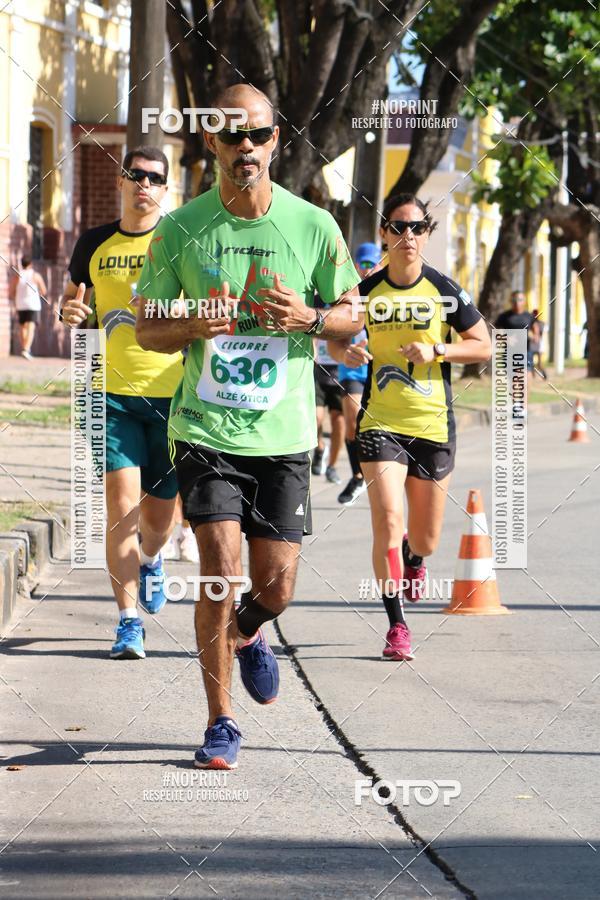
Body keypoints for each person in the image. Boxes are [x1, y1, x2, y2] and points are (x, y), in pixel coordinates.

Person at [136, 83, 361, 770]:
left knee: (276, 587)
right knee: (218, 571)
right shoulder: (181, 229)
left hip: (285, 437)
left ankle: (251, 632)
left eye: (257, 135)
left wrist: (313, 320)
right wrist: (193, 324)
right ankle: (220, 722)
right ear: (211, 142)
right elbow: (147, 329)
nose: (245, 147)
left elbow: (355, 315)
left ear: (275, 142)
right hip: (207, 430)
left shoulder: (312, 226)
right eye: (231, 135)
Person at [331, 194, 491, 661]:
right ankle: (397, 626)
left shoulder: (443, 289)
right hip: (381, 423)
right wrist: (349, 354)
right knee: (387, 519)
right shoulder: (363, 290)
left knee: (425, 538)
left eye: (417, 228)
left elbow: (483, 346)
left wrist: (438, 352)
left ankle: (415, 558)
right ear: (383, 233)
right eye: (398, 228)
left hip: (434, 425)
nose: (407, 237)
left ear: (427, 234)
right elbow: (337, 341)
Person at [60, 146, 183, 660]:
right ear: (121, 182)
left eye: (154, 177)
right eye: (135, 175)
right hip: (113, 396)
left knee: (161, 515)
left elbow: (207, 302)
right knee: (122, 509)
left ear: (164, 187)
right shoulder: (93, 242)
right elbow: (75, 303)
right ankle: (128, 621)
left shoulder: (180, 240)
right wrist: (69, 313)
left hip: (175, 396)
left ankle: (153, 560)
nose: (143, 184)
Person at [333, 242, 382, 505]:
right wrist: (343, 353)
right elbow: (334, 335)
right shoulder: (347, 289)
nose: (365, 270)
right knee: (352, 418)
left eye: (370, 264)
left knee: (373, 425)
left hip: (380, 368)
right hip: (351, 365)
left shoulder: (387, 290)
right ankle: (357, 475)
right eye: (361, 264)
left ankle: (380, 475)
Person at [312, 335, 346, 484]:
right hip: (319, 373)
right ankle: (320, 447)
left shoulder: (348, 312)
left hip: (341, 377)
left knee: (338, 421)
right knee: (315, 417)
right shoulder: (321, 310)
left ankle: (332, 466)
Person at [9, 256, 47, 359]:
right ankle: (26, 349)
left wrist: (16, 297)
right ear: (31, 264)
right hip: (33, 304)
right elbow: (44, 291)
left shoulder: (17, 275)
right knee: (31, 326)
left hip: (20, 304)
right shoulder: (35, 275)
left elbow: (11, 291)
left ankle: (24, 348)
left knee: (22, 326)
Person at [495, 291, 535, 377]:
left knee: (527, 376)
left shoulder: (529, 316)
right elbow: (497, 330)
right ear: (510, 301)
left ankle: (526, 390)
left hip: (526, 351)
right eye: (514, 300)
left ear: (524, 301)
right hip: (510, 351)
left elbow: (535, 327)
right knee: (513, 380)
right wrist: (506, 338)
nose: (517, 302)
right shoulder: (504, 316)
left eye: (520, 299)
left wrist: (535, 336)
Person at [530, 308, 547, 379]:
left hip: (538, 344)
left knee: (539, 364)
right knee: (531, 362)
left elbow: (539, 334)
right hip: (532, 345)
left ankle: (544, 376)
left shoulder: (540, 324)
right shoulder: (531, 323)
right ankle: (533, 375)